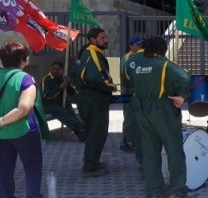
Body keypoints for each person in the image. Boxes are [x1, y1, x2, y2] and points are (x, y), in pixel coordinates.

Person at [130, 36, 195, 198]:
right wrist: (182, 96)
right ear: (162, 49)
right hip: (162, 110)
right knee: (174, 151)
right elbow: (185, 78)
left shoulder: (137, 66)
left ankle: (154, 193)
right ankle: (177, 192)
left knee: (150, 153)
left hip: (141, 110)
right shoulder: (165, 65)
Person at [0, 42, 54, 198]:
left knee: (4, 166)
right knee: (32, 164)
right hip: (23, 131)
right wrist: (2, 120)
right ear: (23, 60)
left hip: (1, 134)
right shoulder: (25, 79)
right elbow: (24, 108)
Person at [75, 28, 116, 177]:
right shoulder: (92, 53)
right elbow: (96, 78)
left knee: (94, 131)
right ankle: (90, 167)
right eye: (102, 37)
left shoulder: (87, 53)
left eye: (106, 37)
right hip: (94, 99)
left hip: (89, 97)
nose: (106, 40)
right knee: (96, 133)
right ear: (93, 40)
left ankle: (93, 161)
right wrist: (112, 86)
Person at [41, 61, 86, 142]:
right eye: (53, 69)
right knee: (61, 112)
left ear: (62, 70)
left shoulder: (64, 78)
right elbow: (47, 95)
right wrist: (61, 86)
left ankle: (82, 134)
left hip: (62, 103)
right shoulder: (47, 79)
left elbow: (72, 93)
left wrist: (68, 83)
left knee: (71, 114)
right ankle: (82, 128)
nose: (55, 71)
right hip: (49, 105)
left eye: (57, 69)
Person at [119, 35, 144, 153]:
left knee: (137, 119)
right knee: (130, 119)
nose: (140, 47)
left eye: (141, 45)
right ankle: (127, 142)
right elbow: (127, 76)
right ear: (131, 45)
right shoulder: (128, 58)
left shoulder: (139, 57)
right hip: (129, 93)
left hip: (137, 93)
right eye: (138, 45)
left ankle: (134, 140)